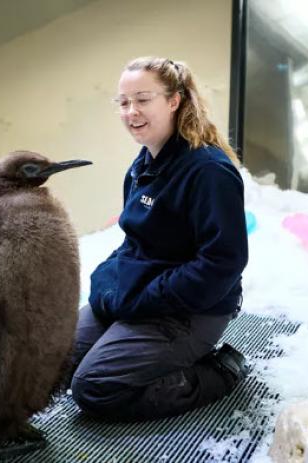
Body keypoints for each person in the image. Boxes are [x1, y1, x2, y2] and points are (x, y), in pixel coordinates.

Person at [70, 57, 250, 422]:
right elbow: (133, 243)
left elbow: (222, 263)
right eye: (123, 102)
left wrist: (143, 299)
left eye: (142, 99)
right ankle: (139, 349)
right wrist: (106, 284)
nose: (130, 111)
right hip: (144, 298)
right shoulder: (142, 166)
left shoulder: (208, 171)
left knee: (95, 387)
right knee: (48, 360)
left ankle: (219, 371)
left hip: (192, 309)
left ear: (174, 101)